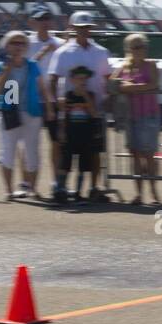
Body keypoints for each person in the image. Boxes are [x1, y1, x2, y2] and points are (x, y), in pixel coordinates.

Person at [48, 11, 112, 202]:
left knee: (94, 150)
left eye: (87, 28)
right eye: (80, 28)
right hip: (71, 110)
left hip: (94, 110)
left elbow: (108, 78)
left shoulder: (100, 52)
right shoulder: (62, 52)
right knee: (67, 150)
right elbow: (52, 79)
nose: (84, 31)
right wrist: (55, 103)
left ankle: (93, 187)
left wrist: (108, 97)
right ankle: (62, 187)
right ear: (73, 29)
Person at [0, 31, 45, 200]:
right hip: (9, 111)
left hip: (31, 112)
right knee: (8, 151)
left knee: (31, 152)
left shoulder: (32, 65)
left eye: (22, 43)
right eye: (14, 43)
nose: (18, 47)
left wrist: (49, 107)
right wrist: (8, 69)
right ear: (6, 46)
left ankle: (32, 188)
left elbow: (42, 87)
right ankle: (8, 190)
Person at [111, 33, 162, 205]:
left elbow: (154, 84)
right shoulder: (123, 67)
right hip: (130, 116)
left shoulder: (151, 65)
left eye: (143, 46)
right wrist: (129, 87)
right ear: (128, 49)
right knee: (135, 155)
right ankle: (139, 194)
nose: (141, 50)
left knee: (149, 155)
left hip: (148, 115)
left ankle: (154, 193)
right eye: (136, 47)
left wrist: (131, 87)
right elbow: (112, 84)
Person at [27, 5, 63, 195]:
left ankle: (56, 182)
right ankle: (29, 184)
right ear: (32, 21)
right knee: (29, 144)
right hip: (30, 100)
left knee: (55, 142)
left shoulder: (60, 43)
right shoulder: (24, 42)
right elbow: (22, 68)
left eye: (47, 18)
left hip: (52, 100)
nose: (44, 22)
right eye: (40, 19)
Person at [55, 66, 100, 205]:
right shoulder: (68, 96)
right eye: (80, 78)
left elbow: (93, 113)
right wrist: (61, 131)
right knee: (66, 163)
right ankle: (61, 190)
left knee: (83, 165)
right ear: (73, 80)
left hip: (85, 136)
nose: (83, 81)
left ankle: (79, 193)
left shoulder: (90, 95)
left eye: (85, 79)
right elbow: (63, 116)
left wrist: (85, 95)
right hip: (70, 135)